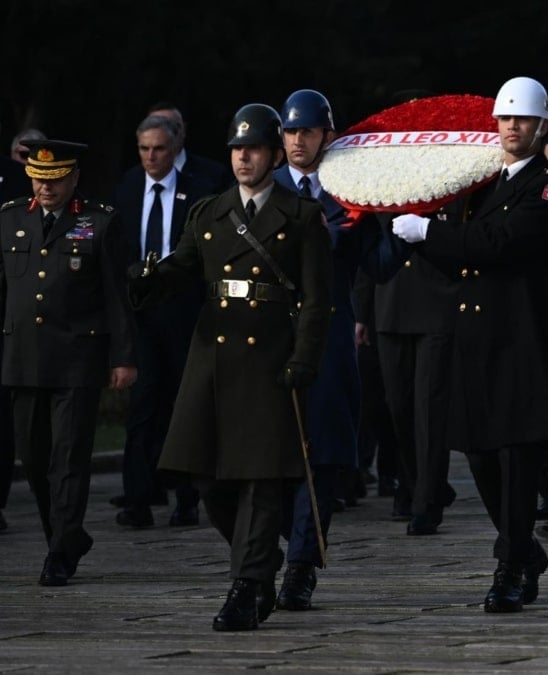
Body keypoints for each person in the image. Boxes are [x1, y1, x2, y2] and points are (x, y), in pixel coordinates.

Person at [129, 103, 332, 631]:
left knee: (260, 479)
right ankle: (258, 563)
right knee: (203, 475)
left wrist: (304, 356)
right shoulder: (210, 212)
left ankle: (248, 583)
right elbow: (184, 267)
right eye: (237, 149)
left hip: (270, 358)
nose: (244, 158)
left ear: (272, 154)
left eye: (256, 148)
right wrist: (149, 281)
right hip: (213, 357)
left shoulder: (302, 216)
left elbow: (315, 299)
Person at [390, 76, 548, 613]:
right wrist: (419, 228)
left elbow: (498, 244)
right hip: (474, 340)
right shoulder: (480, 184)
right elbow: (456, 252)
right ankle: (522, 548)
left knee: (517, 459)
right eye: (504, 120)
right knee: (478, 454)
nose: (511, 128)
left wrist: (428, 233)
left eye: (521, 120)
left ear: (541, 127)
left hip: (519, 342)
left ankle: (511, 565)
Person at [0, 139, 137, 584]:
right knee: (34, 458)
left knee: (68, 458)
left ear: (73, 177)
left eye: (55, 178)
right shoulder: (10, 219)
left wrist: (123, 357)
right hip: (23, 357)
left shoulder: (98, 222)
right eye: (39, 178)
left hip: (78, 357)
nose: (45, 187)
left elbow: (118, 298)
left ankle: (60, 551)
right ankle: (63, 535)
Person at [272, 88, 388, 611]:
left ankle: (301, 564)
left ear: (328, 136)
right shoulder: (264, 185)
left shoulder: (349, 190)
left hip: (328, 340)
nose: (299, 141)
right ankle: (269, 547)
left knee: (320, 459)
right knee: (265, 456)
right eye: (291, 132)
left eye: (309, 132)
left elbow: (381, 264)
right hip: (268, 341)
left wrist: (385, 210)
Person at [112, 114, 211, 528]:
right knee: (142, 404)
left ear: (175, 150)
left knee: (182, 405)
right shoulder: (129, 187)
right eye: (144, 149)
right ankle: (137, 499)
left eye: (159, 149)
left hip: (183, 310)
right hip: (141, 313)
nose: (151, 157)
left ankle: (186, 498)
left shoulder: (199, 188)